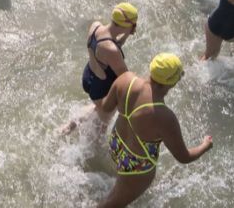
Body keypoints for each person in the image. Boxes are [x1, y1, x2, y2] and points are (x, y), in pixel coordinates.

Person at [90, 54, 213, 207]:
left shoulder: (126, 79)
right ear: (172, 82)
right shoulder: (164, 116)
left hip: (116, 144)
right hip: (136, 166)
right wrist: (205, 146)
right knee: (111, 204)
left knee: (115, 195)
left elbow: (106, 107)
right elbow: (184, 157)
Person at [82, 3, 138, 110]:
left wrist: (126, 33)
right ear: (128, 25)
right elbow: (126, 79)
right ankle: (68, 126)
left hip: (88, 75)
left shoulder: (96, 26)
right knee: (102, 122)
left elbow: (107, 48)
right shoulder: (111, 51)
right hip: (100, 88)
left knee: (96, 110)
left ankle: (68, 126)